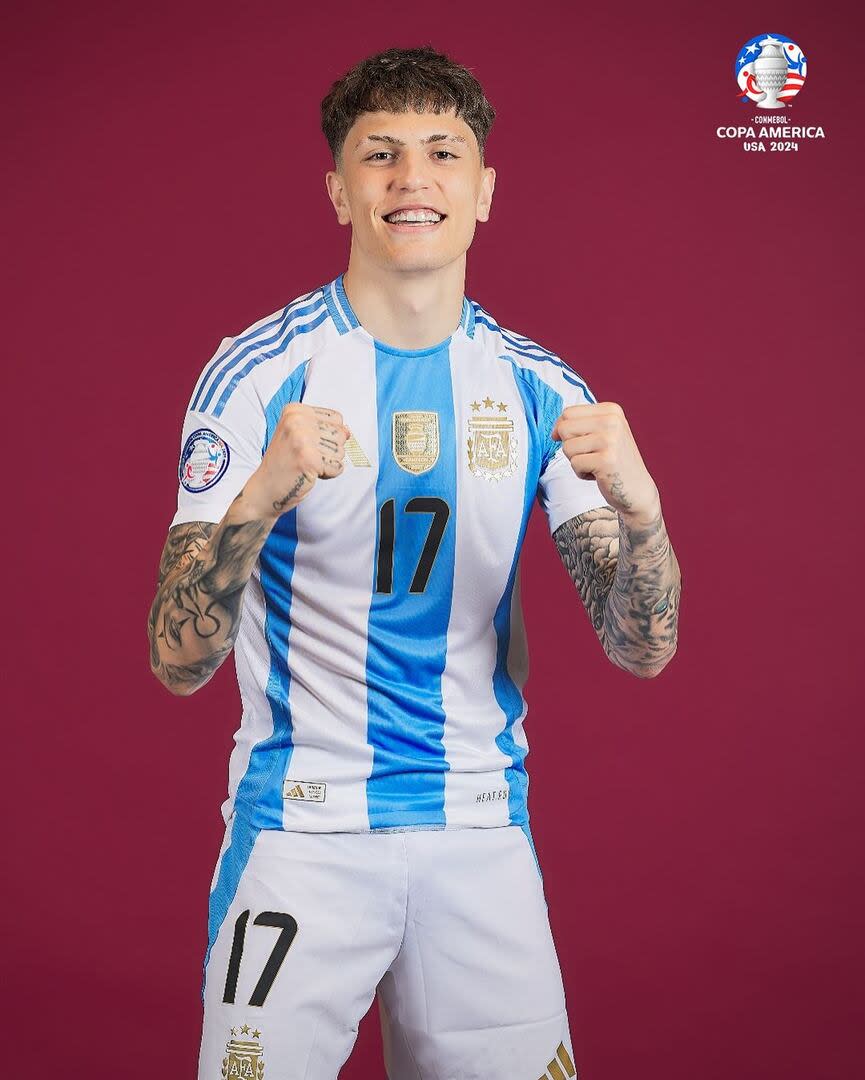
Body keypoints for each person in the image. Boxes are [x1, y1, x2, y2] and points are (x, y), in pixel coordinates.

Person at [148, 44, 682, 1080]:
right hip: (303, 832)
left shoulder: (538, 388)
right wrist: (258, 497)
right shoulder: (258, 374)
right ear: (338, 190)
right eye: (378, 155)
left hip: (480, 829)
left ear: (483, 190)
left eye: (442, 152)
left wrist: (645, 515)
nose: (411, 180)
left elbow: (639, 648)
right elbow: (177, 658)